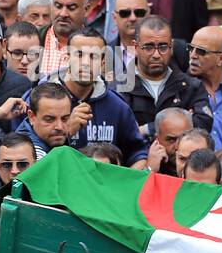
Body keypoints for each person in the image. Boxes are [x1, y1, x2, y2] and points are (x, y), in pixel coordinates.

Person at [32, 30, 147, 165]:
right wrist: (66, 130)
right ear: (66, 58)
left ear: (103, 63)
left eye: (94, 56)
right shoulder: (39, 98)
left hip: (105, 185)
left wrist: (123, 184)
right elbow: (26, 149)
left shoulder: (117, 106)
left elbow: (138, 154)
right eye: (79, 55)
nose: (86, 63)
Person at [121, 14, 212, 137]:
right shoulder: (120, 86)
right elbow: (121, 131)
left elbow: (203, 124)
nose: (156, 55)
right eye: (148, 47)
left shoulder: (191, 87)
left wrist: (147, 129)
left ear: (172, 46)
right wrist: (183, 119)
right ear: (136, 47)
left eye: (163, 47)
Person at [37, 0, 85, 78]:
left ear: (86, 9)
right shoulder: (34, 38)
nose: (63, 14)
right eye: (58, 6)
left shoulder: (97, 45)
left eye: (71, 8)